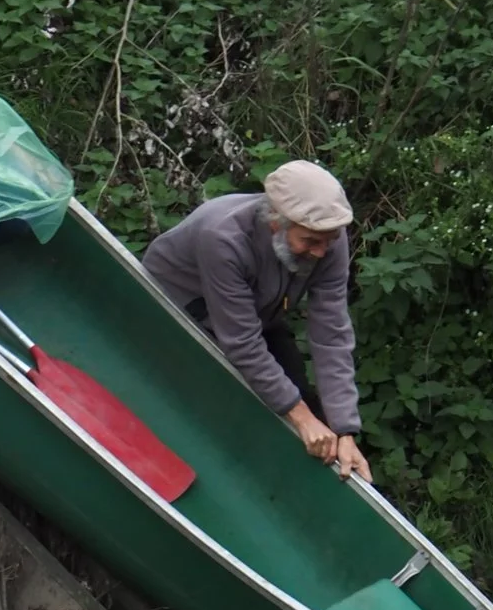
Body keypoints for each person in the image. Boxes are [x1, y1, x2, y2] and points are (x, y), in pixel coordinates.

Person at [142, 160, 369, 480]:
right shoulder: (222, 237)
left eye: (328, 240)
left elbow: (331, 333)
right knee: (224, 407)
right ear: (277, 223)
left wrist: (345, 429)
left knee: (305, 403)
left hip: (257, 314)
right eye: (310, 242)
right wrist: (300, 417)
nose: (321, 252)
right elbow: (243, 344)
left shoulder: (328, 237)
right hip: (174, 311)